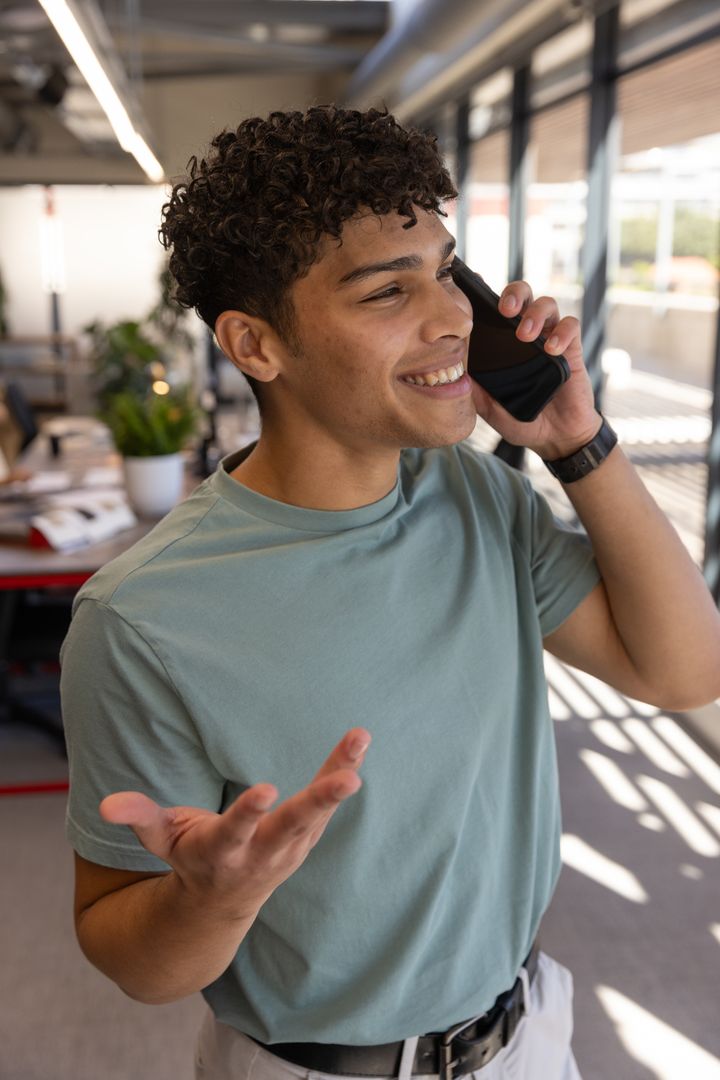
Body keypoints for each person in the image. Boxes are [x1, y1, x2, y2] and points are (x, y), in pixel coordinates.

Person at [60, 105, 720, 1080]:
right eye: (387, 293)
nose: (452, 314)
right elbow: (139, 964)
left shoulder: (480, 498)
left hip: (526, 1037)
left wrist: (578, 441)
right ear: (255, 345)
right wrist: (216, 895)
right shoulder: (142, 618)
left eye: (448, 270)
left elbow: (683, 671)